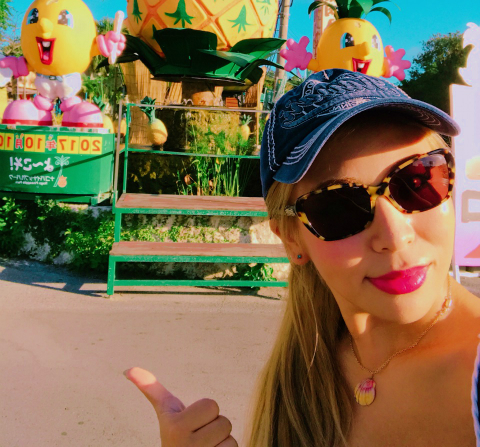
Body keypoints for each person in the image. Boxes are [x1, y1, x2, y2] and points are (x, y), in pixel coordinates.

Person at [124, 69, 480, 447]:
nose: (395, 236)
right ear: (291, 237)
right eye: (339, 207)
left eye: (417, 181)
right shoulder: (303, 380)